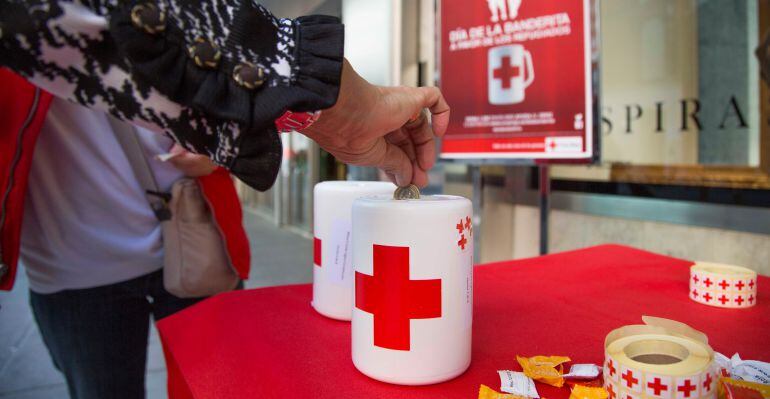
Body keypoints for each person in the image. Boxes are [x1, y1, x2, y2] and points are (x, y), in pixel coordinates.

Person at [0, 1, 449, 398]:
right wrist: (331, 102)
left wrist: (221, 146)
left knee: (216, 382)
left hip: (202, 237)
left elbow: (188, 48)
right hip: (73, 258)